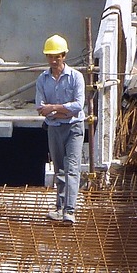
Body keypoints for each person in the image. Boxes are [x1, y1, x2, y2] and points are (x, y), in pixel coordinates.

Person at [36, 34, 86, 225]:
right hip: (54, 129)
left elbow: (78, 106)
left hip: (74, 128)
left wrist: (54, 108)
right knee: (59, 170)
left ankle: (70, 211)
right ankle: (59, 207)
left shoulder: (76, 77)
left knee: (72, 169)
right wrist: (63, 111)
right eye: (50, 56)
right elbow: (41, 108)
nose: (54, 60)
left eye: (57, 56)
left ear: (64, 55)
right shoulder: (43, 79)